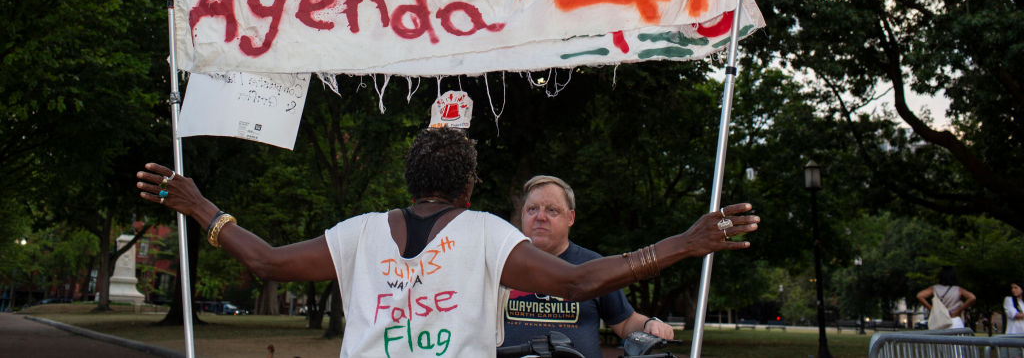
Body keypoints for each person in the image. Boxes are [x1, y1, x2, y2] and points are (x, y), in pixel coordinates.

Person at [138, 127, 759, 357]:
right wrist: (685, 242)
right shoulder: (488, 231)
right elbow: (577, 282)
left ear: (410, 182)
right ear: (468, 187)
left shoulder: (358, 233)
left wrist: (200, 206)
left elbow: (265, 261)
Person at [501, 175, 675, 358]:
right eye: (532, 209)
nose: (540, 217)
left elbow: (625, 322)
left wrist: (649, 325)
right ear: (522, 215)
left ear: (571, 217)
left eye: (552, 210)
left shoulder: (593, 266)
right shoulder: (501, 263)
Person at [1005, 281, 1024, 356]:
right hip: (1014, 335)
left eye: (1016, 287)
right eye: (1012, 288)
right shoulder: (1009, 300)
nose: (1013, 290)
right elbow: (1015, 315)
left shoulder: (1022, 302)